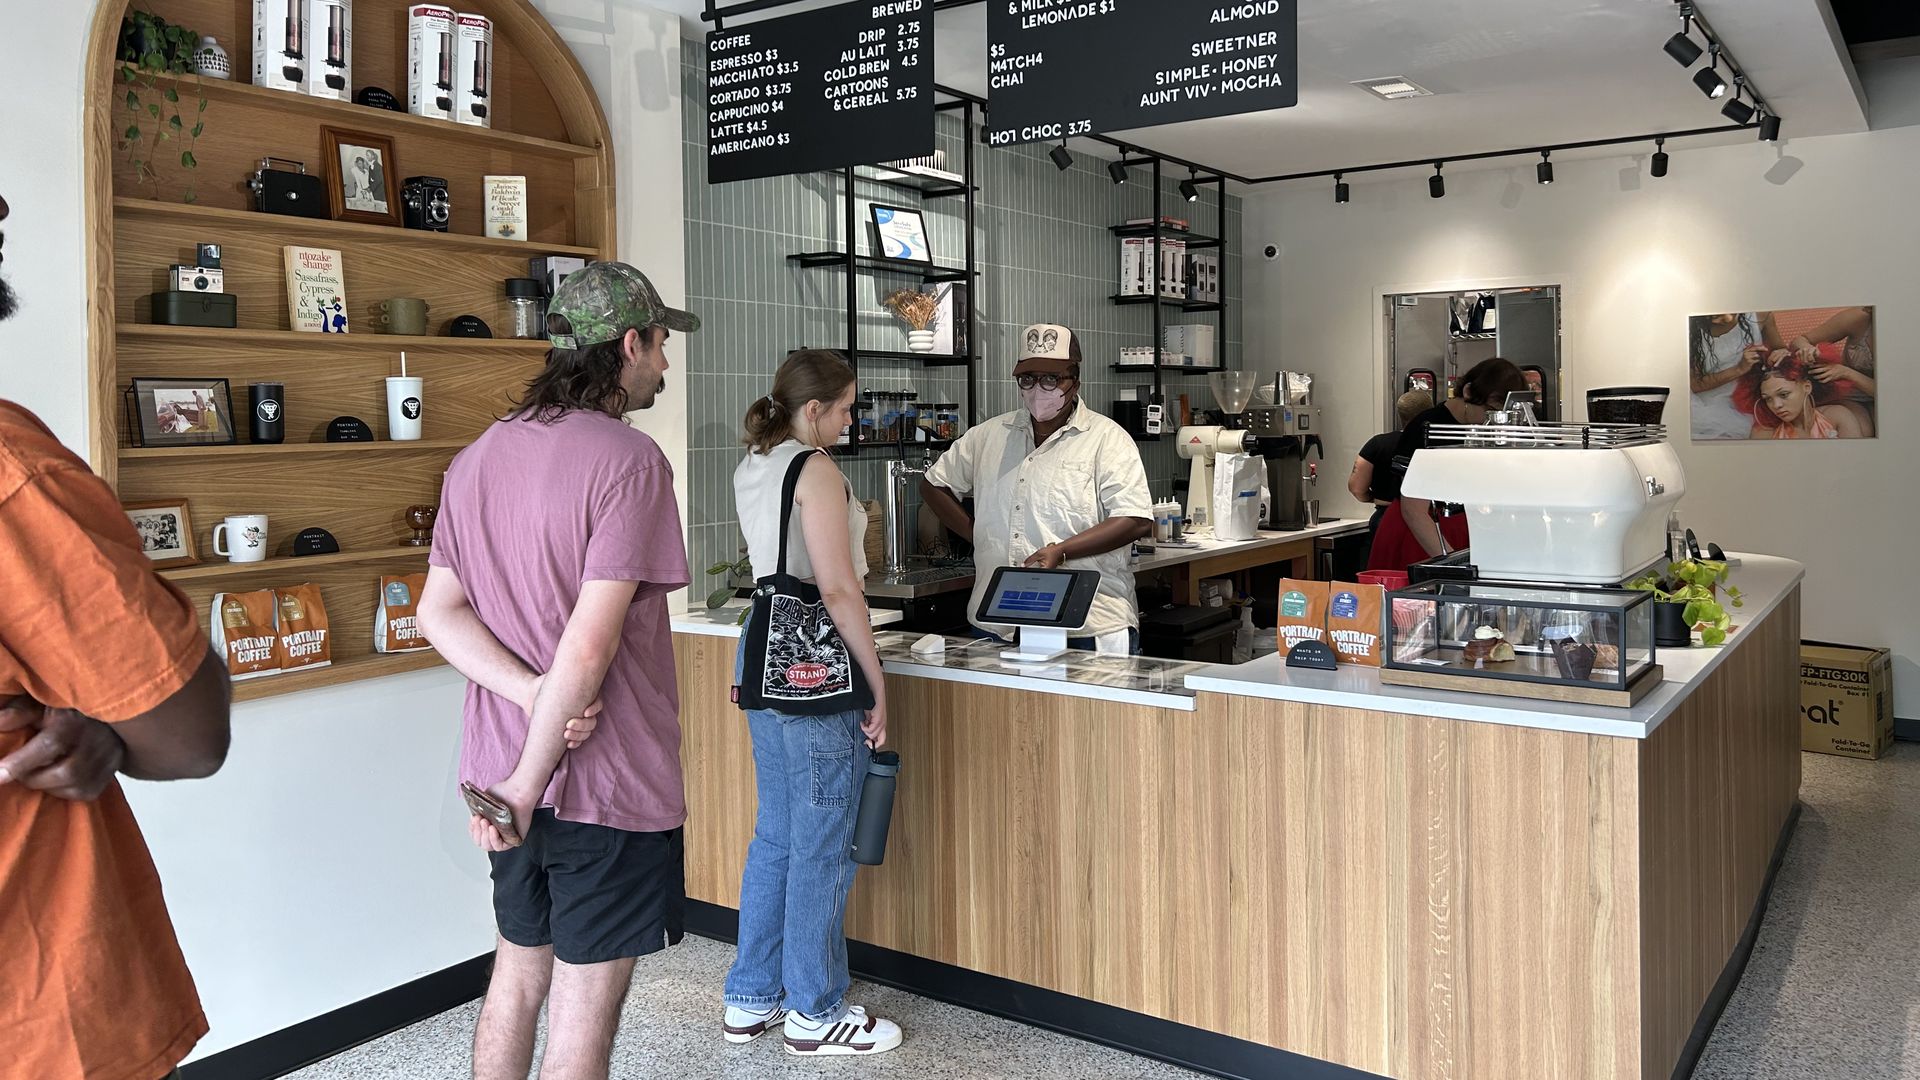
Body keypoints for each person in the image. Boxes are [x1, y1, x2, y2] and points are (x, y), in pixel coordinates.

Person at [417, 262, 696, 1080]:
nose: (666, 368)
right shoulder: (629, 460)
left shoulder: (475, 458)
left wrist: (525, 710)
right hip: (600, 787)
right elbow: (589, 646)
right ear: (632, 344)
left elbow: (438, 612)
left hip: (503, 778)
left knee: (515, 980)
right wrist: (531, 778)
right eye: (663, 347)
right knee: (581, 1017)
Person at [0, 188, 236, 1080]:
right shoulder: (11, 475)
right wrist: (95, 715)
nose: (3, 201)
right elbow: (187, 734)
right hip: (40, 1016)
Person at [721, 350, 904, 1057]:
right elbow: (837, 590)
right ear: (814, 409)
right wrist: (875, 679)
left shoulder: (756, 463)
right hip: (814, 658)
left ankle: (752, 997)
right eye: (848, 407)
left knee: (778, 833)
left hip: (761, 644)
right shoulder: (817, 468)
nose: (853, 419)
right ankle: (816, 1010)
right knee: (824, 838)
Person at [921, 324, 1154, 654]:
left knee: (1090, 708)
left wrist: (1062, 550)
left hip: (1087, 623)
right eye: (1028, 379)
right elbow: (934, 485)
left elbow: (1136, 519)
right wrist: (979, 533)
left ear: (1075, 380)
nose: (1038, 389)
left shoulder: (1106, 439)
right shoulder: (988, 437)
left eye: (1051, 379)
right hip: (999, 622)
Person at [1366, 357, 1530, 573]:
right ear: (1469, 392)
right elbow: (1413, 510)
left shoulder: (1479, 430)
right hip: (1422, 533)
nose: (1491, 421)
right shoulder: (1428, 428)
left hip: (1457, 533)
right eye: (1489, 410)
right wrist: (1452, 565)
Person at [1348, 389, 1433, 556]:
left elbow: (1356, 487)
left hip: (1385, 518)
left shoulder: (1378, 443)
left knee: (1384, 574)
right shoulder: (1437, 446)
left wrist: (1374, 498)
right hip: (1430, 521)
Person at [1737, 351, 1868, 440]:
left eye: (1784, 394)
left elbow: (1856, 461)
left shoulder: (1837, 416)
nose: (1776, 405)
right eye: (1768, 399)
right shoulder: (1763, 433)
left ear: (1807, 387)